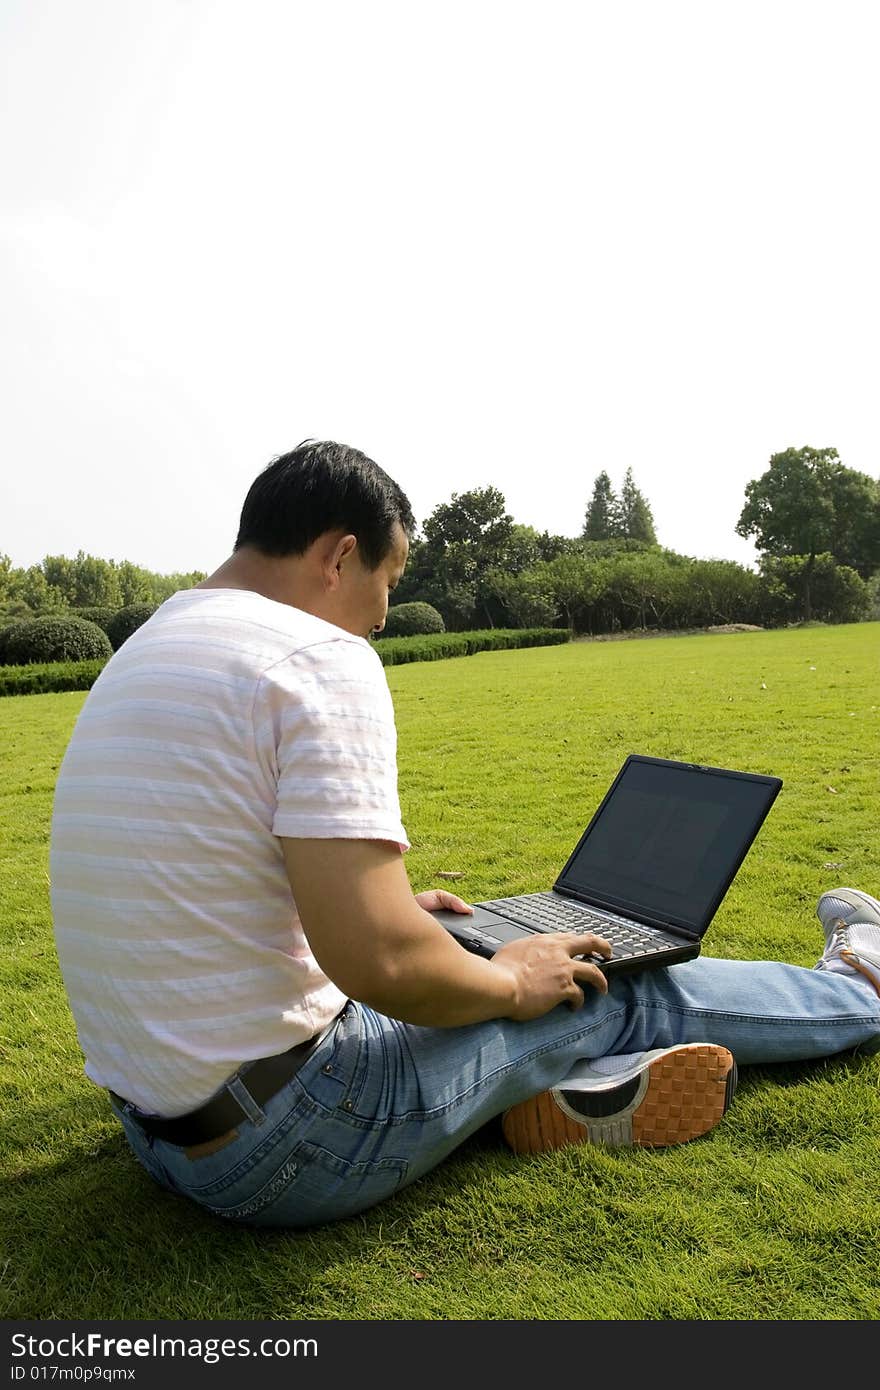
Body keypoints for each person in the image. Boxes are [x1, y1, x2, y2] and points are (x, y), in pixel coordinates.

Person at [49, 440, 880, 1229]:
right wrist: (513, 983)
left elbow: (195, 874)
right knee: (613, 982)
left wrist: (396, 911)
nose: (379, 620)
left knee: (469, 949)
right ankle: (858, 985)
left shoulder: (145, 648)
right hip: (291, 1147)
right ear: (340, 558)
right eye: (387, 584)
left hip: (162, 1133)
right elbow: (382, 962)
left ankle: (582, 1090)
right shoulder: (312, 656)